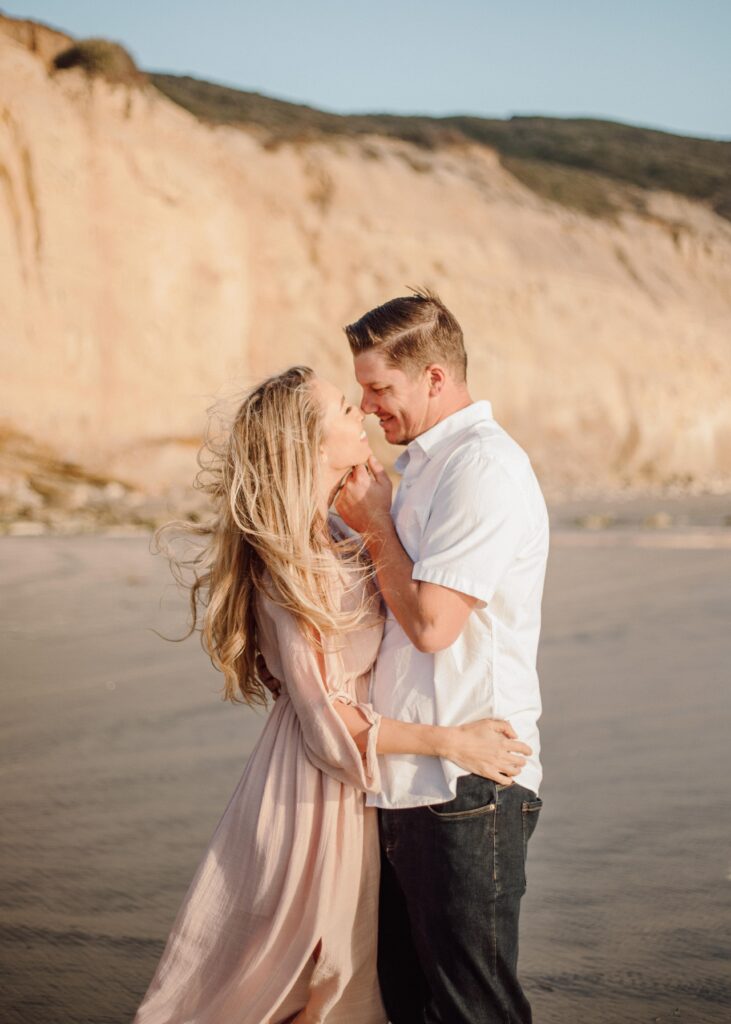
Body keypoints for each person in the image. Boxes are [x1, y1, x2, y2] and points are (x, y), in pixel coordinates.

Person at [131, 365, 531, 1024]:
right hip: (313, 791)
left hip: (357, 788)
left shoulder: (339, 537)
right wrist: (452, 741)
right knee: (310, 983)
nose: (365, 416)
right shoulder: (286, 561)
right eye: (347, 409)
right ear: (311, 446)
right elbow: (325, 723)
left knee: (336, 985)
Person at [334, 289, 550, 1024]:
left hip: (467, 784)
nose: (366, 406)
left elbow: (431, 625)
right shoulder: (425, 465)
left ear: (433, 376)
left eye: (379, 388)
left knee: (473, 1011)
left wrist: (372, 527)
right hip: (406, 782)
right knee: (411, 1007)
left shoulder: (480, 468)